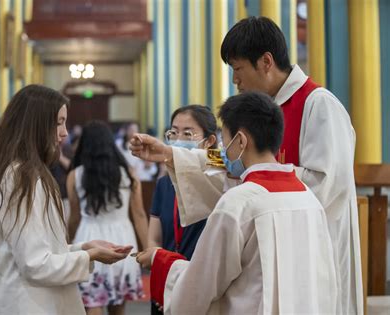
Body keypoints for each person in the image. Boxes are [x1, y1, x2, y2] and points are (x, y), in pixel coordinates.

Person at [139, 16, 362, 315]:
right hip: (270, 249)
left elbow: (327, 185)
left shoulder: (318, 105)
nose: (235, 80)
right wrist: (172, 154)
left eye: (238, 68)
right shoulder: (263, 110)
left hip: (311, 249)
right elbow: (234, 161)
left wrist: (262, 176)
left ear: (266, 62)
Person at [135, 92, 338, 314]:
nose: (222, 150)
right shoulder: (308, 198)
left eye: (225, 140)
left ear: (240, 141)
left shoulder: (238, 203)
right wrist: (168, 153)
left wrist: (161, 259)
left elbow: (199, 287)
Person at [0, 85, 132, 314]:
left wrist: (83, 247)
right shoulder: (22, 178)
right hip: (29, 304)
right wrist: (89, 255)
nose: (64, 133)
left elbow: (41, 246)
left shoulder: (31, 173)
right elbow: (35, 264)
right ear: (37, 124)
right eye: (59, 122)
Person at [67, 120, 147, 315]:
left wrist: (67, 243)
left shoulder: (75, 176)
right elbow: (138, 214)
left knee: (91, 302)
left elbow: (74, 216)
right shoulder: (128, 174)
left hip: (89, 238)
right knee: (118, 305)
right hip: (123, 239)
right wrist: (148, 249)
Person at [149, 105, 217, 314]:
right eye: (174, 132)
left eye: (188, 133)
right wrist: (161, 269)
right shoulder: (163, 183)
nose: (178, 139)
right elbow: (154, 238)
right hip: (167, 277)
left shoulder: (218, 180)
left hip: (202, 280)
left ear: (209, 141)